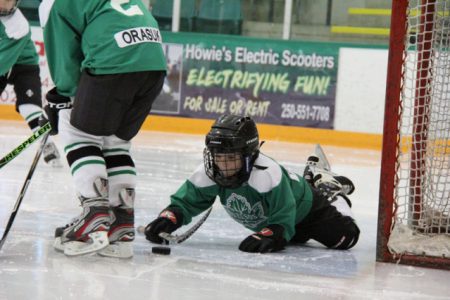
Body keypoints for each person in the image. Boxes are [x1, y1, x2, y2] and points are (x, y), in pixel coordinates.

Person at [38, 0, 166, 257]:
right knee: (115, 142)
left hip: (115, 60)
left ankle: (94, 218)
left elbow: (63, 54)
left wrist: (63, 95)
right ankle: (121, 224)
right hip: (153, 64)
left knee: (77, 131)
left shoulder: (52, 3)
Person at [145, 114, 360, 253]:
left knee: (346, 239)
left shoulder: (267, 174)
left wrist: (272, 233)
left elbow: (283, 218)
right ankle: (311, 180)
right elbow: (187, 202)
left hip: (308, 210)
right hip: (286, 214)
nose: (223, 165)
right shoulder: (211, 171)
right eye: (218, 156)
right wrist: (169, 218)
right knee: (297, 240)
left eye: (231, 158)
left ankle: (329, 190)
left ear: (249, 154)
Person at [0, 0, 61, 166]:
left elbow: (2, 63)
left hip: (23, 64)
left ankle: (46, 143)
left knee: (29, 107)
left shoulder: (18, 26)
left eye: (8, 3)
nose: (4, 7)